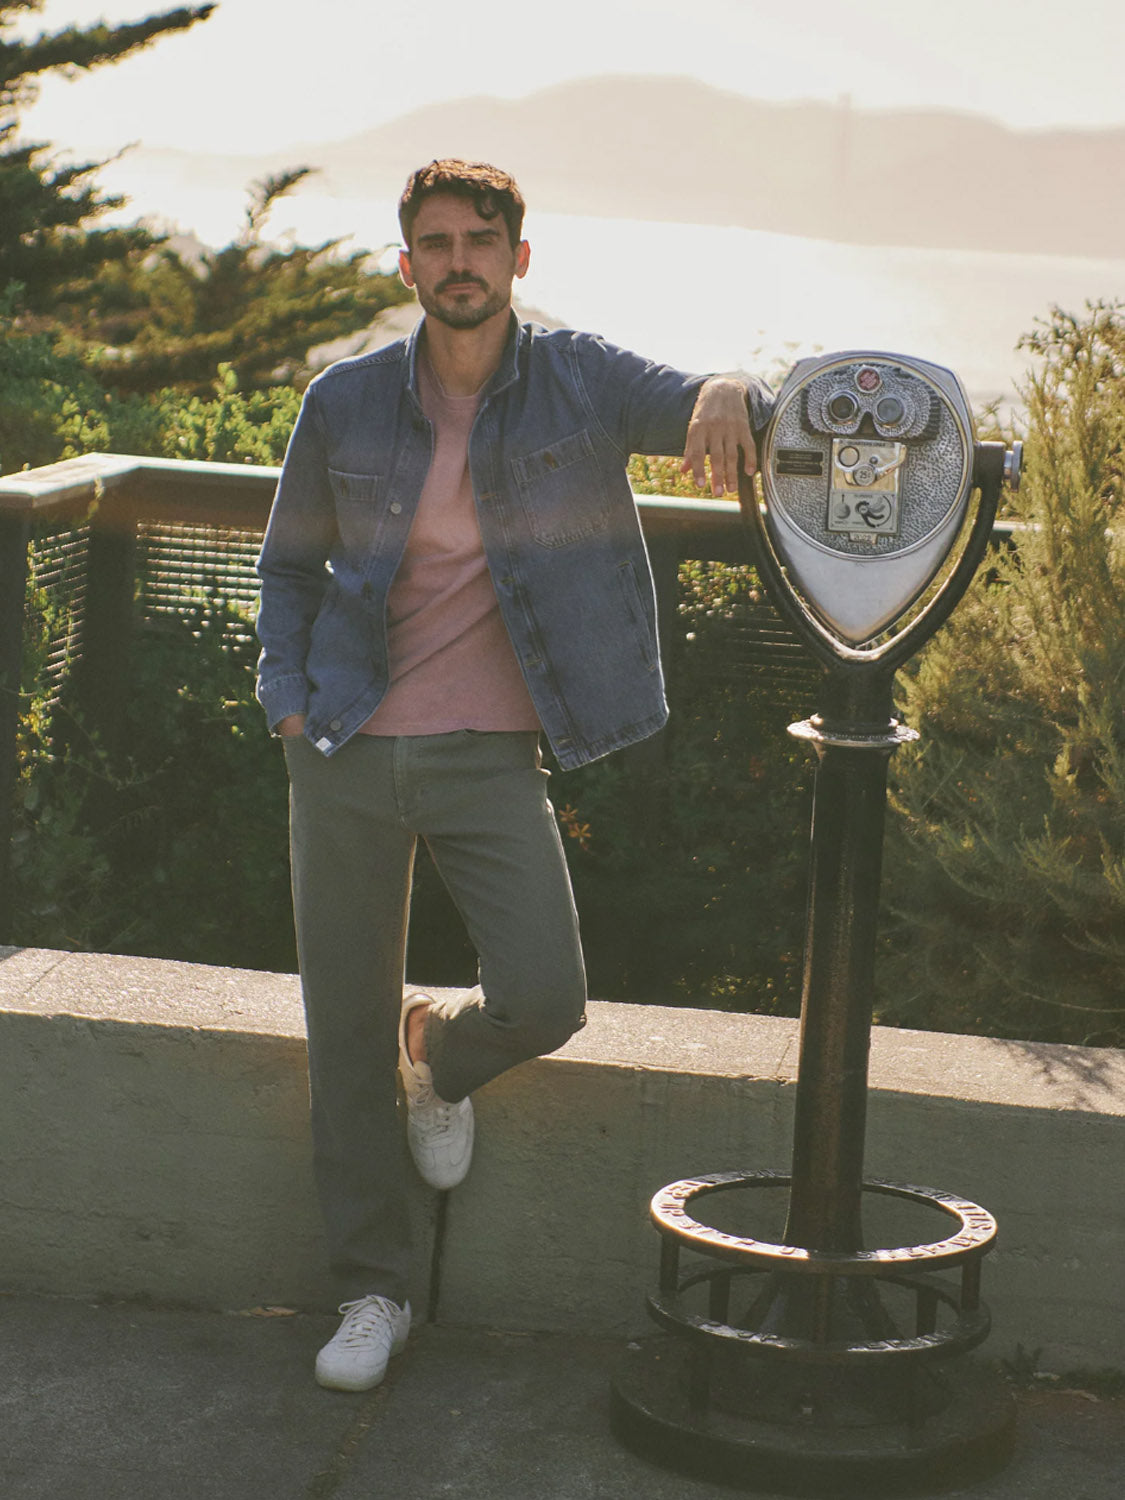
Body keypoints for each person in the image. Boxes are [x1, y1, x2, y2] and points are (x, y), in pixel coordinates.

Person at [255, 158, 771, 1391]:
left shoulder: (577, 380)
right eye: (435, 243)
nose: (459, 262)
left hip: (488, 753)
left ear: (517, 259)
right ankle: (374, 1291)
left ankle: (438, 1053)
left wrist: (732, 387)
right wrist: (285, 702)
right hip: (343, 745)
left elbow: (698, 397)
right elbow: (287, 567)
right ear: (407, 266)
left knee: (545, 995)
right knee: (339, 1039)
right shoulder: (346, 400)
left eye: (480, 240)